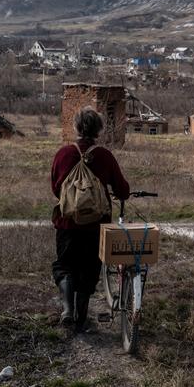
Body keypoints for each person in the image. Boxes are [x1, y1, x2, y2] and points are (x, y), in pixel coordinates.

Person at [50, 107, 130, 331]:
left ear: (76, 127)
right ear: (99, 130)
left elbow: (56, 189)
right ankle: (81, 319)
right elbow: (122, 190)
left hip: (67, 224)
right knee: (89, 270)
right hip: (96, 226)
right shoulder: (105, 156)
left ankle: (66, 309)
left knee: (65, 266)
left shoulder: (63, 154)